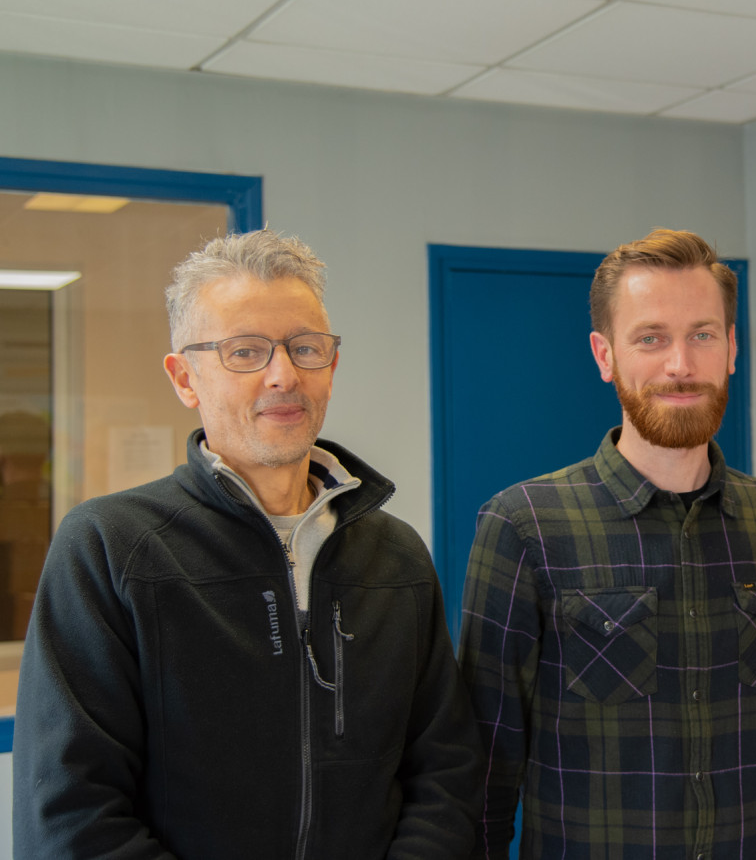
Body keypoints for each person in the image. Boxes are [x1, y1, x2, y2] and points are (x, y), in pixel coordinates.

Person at [14, 229, 482, 859]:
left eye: (305, 348)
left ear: (331, 366)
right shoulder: (110, 548)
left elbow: (444, 775)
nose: (283, 375)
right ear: (185, 378)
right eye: (245, 352)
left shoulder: (395, 555)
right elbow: (70, 815)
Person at [458, 228, 756, 859]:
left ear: (732, 348)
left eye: (702, 335)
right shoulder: (525, 526)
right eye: (651, 338)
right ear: (605, 356)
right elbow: (483, 770)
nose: (680, 364)